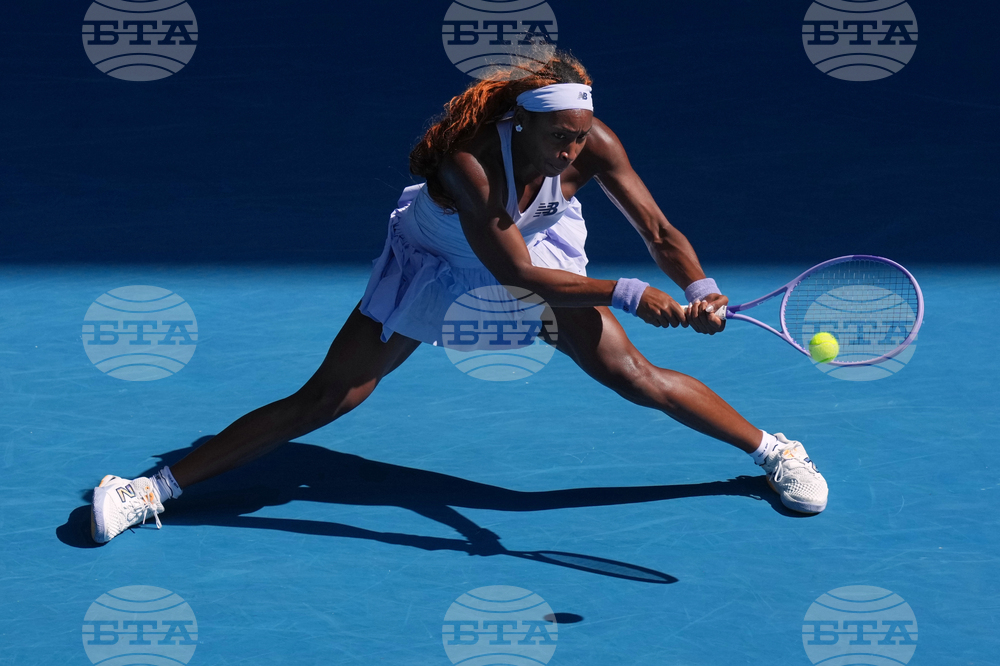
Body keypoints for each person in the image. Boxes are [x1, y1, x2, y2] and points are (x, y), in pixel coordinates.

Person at [91, 52, 827, 544]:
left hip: (528, 252)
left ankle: (774, 452)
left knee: (629, 374)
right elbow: (518, 279)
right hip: (444, 257)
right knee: (328, 400)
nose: (575, 150)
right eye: (561, 137)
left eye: (581, 136)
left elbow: (659, 228)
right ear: (523, 121)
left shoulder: (591, 141)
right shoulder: (471, 165)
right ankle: (148, 491)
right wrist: (633, 292)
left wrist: (700, 288)